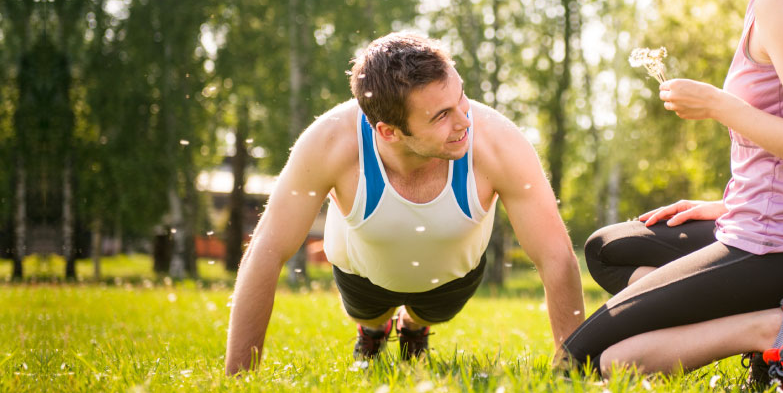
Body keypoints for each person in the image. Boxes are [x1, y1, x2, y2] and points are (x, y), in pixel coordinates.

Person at [561, 0, 783, 391]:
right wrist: (730, 205)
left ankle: (780, 330)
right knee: (609, 251)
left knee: (583, 363)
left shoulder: (780, 2)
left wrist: (718, 105)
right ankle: (782, 343)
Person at [225, 32, 585, 375]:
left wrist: (571, 367)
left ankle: (414, 328)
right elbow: (267, 250)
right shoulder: (330, 141)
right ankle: (373, 331)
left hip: (451, 278)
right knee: (369, 315)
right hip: (362, 275)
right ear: (389, 132)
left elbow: (555, 253)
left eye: (460, 97)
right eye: (441, 115)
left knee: (430, 314)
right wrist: (239, 380)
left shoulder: (499, 141)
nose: (464, 120)